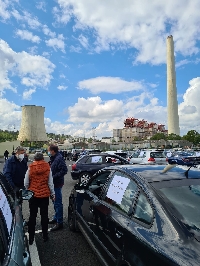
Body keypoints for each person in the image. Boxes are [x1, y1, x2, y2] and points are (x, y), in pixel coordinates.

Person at [24, 152, 55, 245]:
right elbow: (50, 182)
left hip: (33, 195)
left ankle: (31, 237)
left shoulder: (31, 167)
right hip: (44, 195)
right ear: (42, 158)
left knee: (32, 215)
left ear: (34, 158)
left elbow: (26, 182)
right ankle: (45, 235)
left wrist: (28, 190)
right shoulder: (47, 167)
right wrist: (52, 193)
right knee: (44, 216)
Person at [48, 144, 68, 231]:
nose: (48, 152)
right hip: (53, 184)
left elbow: (64, 170)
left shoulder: (59, 158)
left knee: (58, 203)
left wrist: (53, 177)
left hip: (56, 184)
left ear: (53, 151)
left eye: (49, 150)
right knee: (54, 202)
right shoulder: (54, 158)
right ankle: (56, 217)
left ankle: (59, 222)